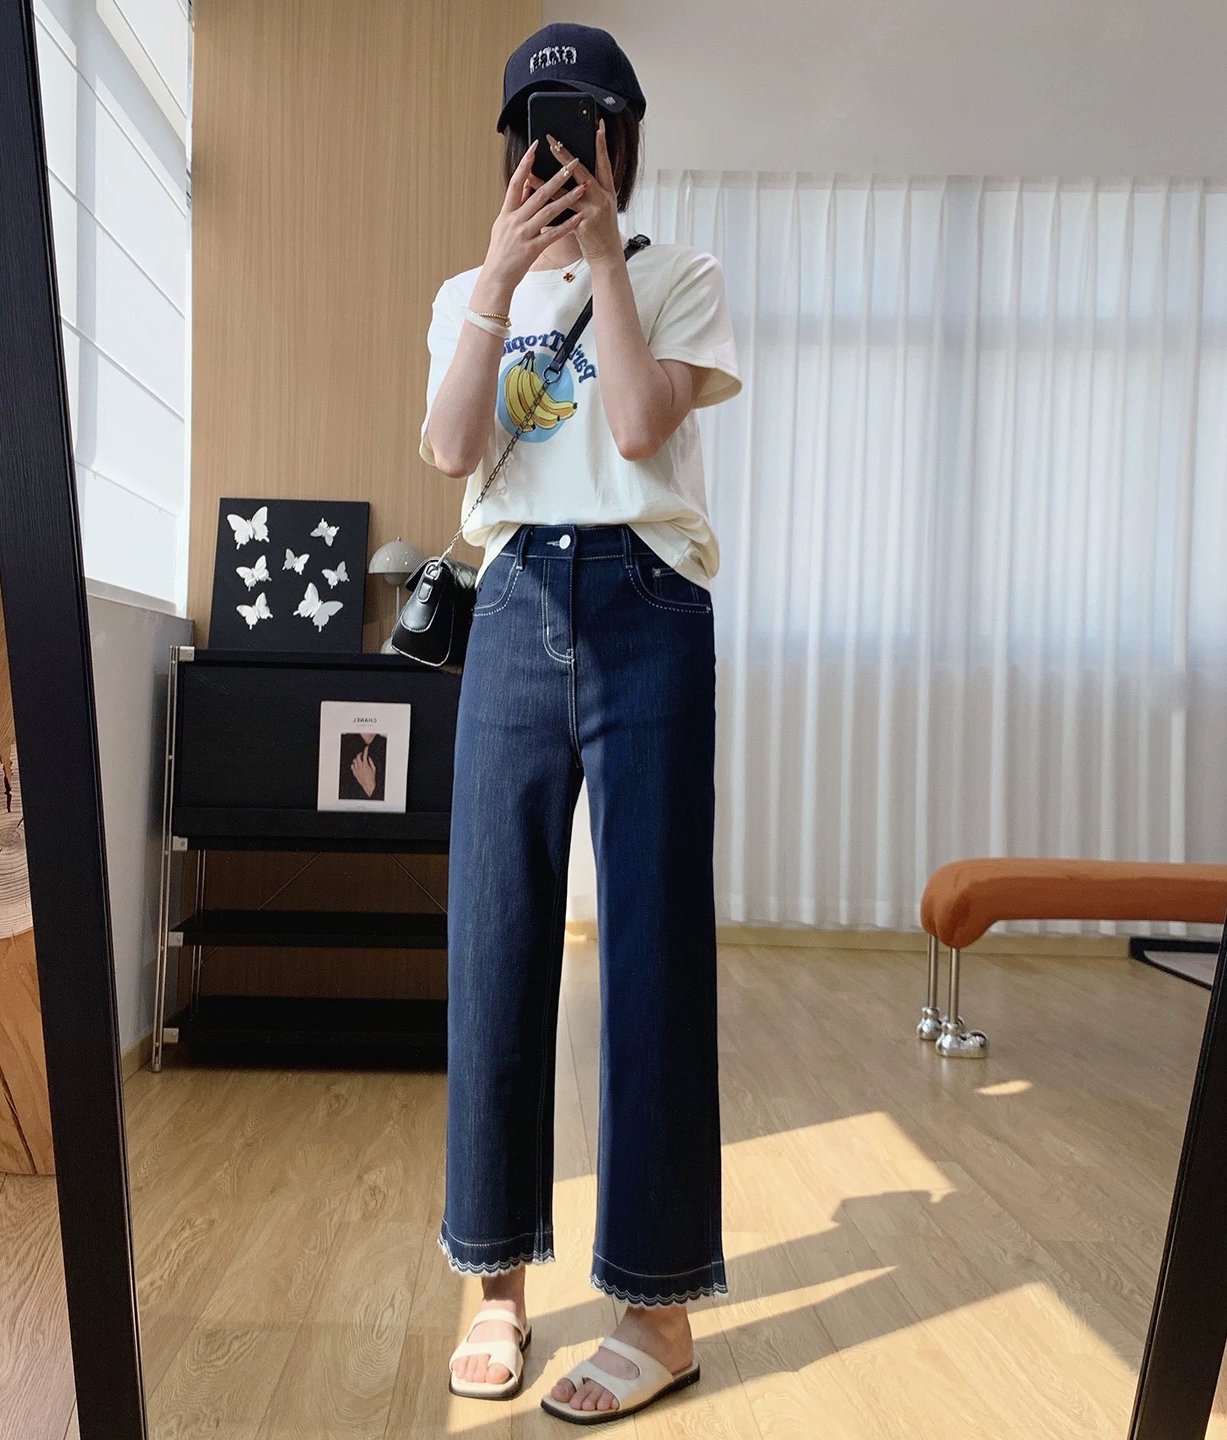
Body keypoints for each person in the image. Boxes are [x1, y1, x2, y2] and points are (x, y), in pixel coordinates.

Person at [419, 21, 742, 1425]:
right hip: (511, 605)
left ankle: (659, 1309)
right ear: (512, 149)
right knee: (495, 940)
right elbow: (453, 449)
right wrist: (500, 279)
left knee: (652, 948)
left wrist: (604, 261)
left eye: (584, 132)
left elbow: (637, 428)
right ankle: (492, 1282)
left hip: (646, 600)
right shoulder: (467, 291)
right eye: (537, 134)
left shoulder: (678, 276)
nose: (558, 157)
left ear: (623, 142)